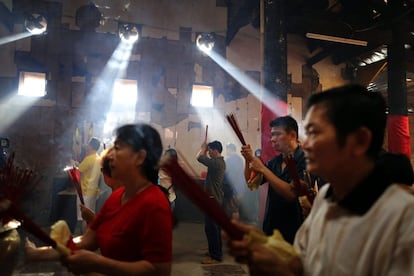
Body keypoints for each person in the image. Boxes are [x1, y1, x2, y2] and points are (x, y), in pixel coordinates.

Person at [226, 84, 414, 275]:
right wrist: (272, 251)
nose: (305, 145)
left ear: (359, 140)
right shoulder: (326, 198)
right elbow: (305, 263)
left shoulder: (403, 219)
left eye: (315, 133)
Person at [26, 123, 173, 275]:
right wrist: (37, 253)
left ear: (139, 157)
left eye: (118, 148)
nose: (109, 155)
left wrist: (98, 263)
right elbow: (86, 241)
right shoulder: (116, 196)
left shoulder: (154, 204)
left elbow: (159, 270)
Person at [241, 116, 306, 244]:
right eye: (271, 135)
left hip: (295, 230)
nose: (272, 139)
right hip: (272, 226)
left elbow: (291, 194)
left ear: (292, 135)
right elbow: (252, 182)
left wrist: (263, 170)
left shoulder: (305, 160)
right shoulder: (274, 162)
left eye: (277, 134)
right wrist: (248, 159)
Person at [196, 140, 226, 264]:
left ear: (215, 150)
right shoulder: (218, 162)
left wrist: (202, 148)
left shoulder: (217, 163)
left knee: (212, 228)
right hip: (214, 199)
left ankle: (215, 256)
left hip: (213, 200)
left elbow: (199, 157)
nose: (208, 153)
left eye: (209, 151)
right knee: (212, 228)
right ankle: (214, 251)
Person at [80, 146, 122, 224]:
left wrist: (93, 219)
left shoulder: (121, 199)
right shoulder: (115, 197)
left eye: (103, 169)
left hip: (87, 191)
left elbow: (112, 230)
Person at [77, 137, 101, 233]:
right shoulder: (98, 158)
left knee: (84, 217)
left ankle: (84, 239)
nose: (86, 146)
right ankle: (90, 238)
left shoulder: (88, 159)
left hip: (85, 192)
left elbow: (78, 171)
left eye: (88, 144)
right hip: (94, 191)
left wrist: (73, 164)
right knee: (90, 216)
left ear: (90, 146)